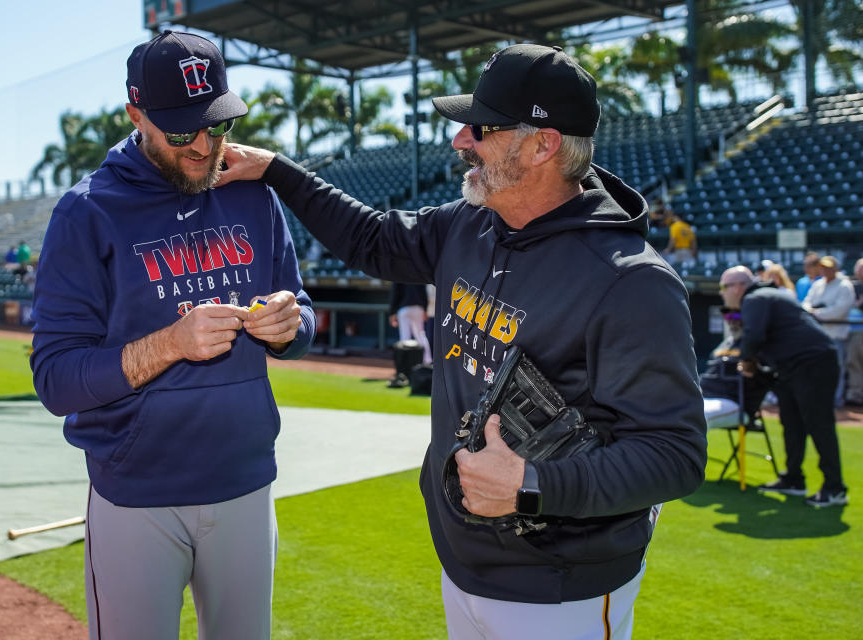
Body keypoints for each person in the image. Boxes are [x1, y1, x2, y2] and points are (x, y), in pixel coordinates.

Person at [219, 44, 706, 639]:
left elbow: (675, 456)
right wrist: (276, 168)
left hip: (561, 589)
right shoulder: (469, 223)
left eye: (481, 127)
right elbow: (371, 238)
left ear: (542, 144)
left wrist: (533, 486)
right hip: (462, 558)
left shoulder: (631, 282)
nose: (460, 140)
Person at [29, 30, 315, 640]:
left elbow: (304, 310)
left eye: (217, 125)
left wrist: (293, 324)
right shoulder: (86, 212)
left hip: (245, 482)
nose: (204, 147)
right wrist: (170, 343)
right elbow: (55, 379)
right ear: (136, 116)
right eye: (182, 131)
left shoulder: (254, 195)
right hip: (137, 495)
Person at [718, 266, 848, 507]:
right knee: (791, 421)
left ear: (737, 286)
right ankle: (793, 479)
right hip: (792, 366)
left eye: (724, 287)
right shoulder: (767, 295)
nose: (722, 293)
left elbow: (754, 336)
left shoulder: (755, 298)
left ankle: (835, 487)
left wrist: (747, 363)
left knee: (819, 423)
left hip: (813, 362)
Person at [803, 255, 856, 407]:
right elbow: (806, 303)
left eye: (828, 267)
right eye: (822, 267)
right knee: (817, 369)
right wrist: (812, 311)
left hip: (836, 334)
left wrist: (817, 313)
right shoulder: (818, 284)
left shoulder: (844, 285)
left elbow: (840, 310)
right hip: (817, 334)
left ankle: (835, 400)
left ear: (835, 268)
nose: (824, 270)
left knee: (836, 368)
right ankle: (820, 399)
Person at [388, 281, 433, 364]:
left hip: (404, 309)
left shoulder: (398, 273)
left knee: (405, 337)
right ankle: (427, 360)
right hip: (417, 308)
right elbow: (423, 293)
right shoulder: (417, 272)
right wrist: (425, 309)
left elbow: (395, 293)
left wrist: (392, 312)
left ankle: (404, 364)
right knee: (420, 335)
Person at [842, 257, 863, 406]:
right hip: (851, 330)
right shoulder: (851, 286)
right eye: (859, 269)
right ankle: (855, 395)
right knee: (852, 362)